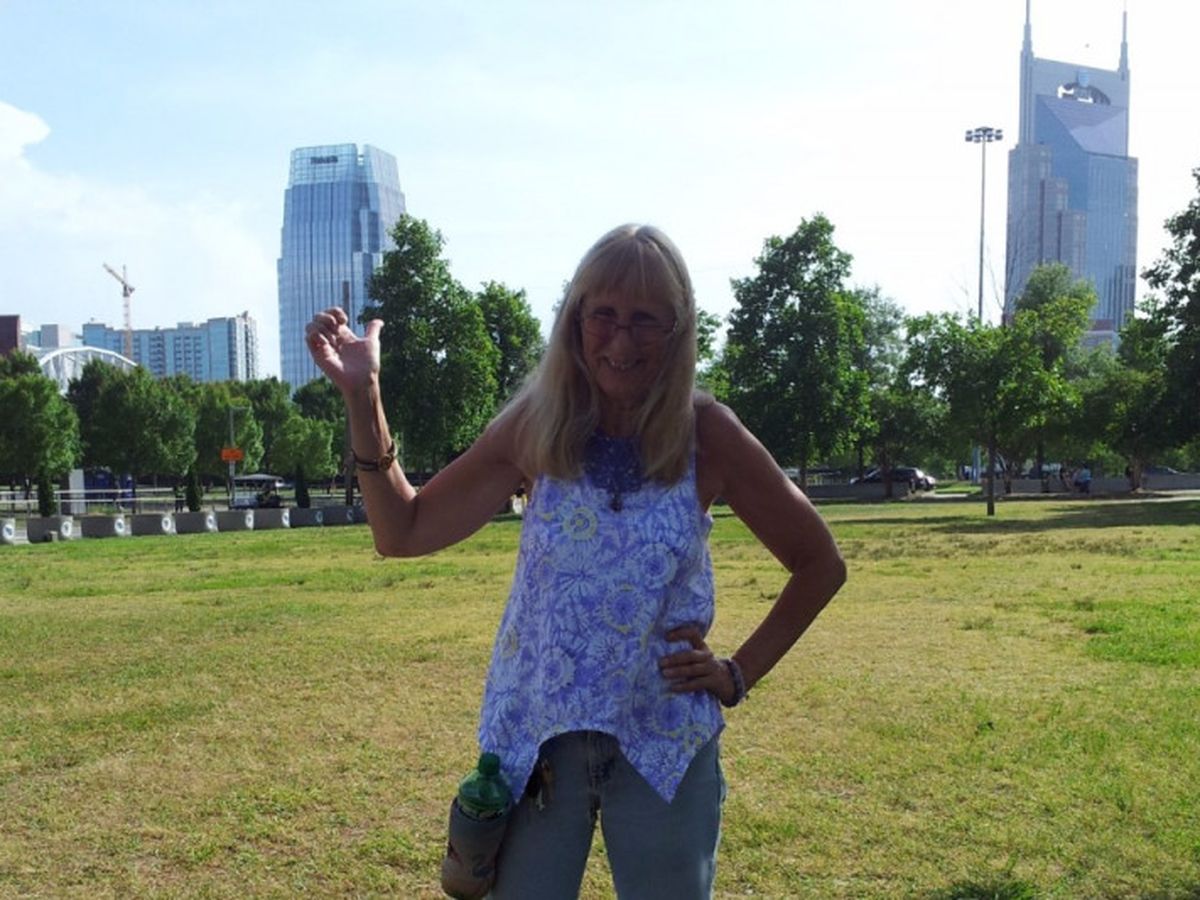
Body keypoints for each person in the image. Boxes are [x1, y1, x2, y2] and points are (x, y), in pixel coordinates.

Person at [305, 224, 846, 899]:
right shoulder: (538, 425)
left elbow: (819, 563)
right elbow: (403, 530)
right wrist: (364, 396)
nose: (621, 341)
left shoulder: (706, 433)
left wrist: (737, 674)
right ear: (576, 321)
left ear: (678, 329)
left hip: (662, 741)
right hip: (538, 745)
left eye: (645, 320)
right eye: (604, 316)